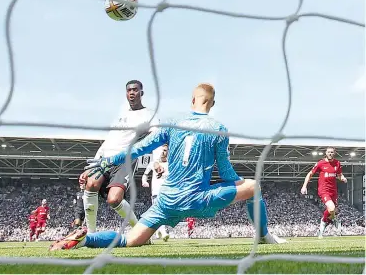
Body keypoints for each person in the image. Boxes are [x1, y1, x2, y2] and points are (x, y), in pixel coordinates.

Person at [50, 83, 286, 250]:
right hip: (199, 198)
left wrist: (107, 161)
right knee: (254, 186)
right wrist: (234, 187)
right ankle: (264, 236)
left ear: (192, 100)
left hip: (167, 202)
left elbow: (139, 148)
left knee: (130, 240)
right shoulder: (218, 129)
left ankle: (87, 240)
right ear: (212, 103)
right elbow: (226, 173)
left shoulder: (171, 124)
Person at [81, 80, 160, 234]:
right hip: (105, 159)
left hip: (125, 159)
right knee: (90, 184)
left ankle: (139, 231)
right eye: (129, 90)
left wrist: (157, 161)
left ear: (141, 93)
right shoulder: (121, 116)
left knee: (114, 199)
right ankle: (90, 234)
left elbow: (156, 138)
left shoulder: (149, 115)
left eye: (135, 90)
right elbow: (108, 141)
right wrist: (91, 166)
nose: (131, 93)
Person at [300, 147, 347, 238]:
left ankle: (323, 224)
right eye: (328, 152)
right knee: (332, 209)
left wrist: (343, 178)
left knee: (332, 211)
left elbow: (339, 175)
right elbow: (310, 174)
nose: (330, 153)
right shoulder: (321, 163)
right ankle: (335, 220)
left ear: (334, 153)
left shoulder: (337, 163)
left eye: (332, 152)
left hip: (333, 191)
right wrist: (304, 186)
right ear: (326, 153)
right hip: (324, 190)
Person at [141, 144, 170, 242]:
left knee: (164, 213)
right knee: (159, 211)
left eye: (165, 150)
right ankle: (164, 232)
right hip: (156, 192)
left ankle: (159, 230)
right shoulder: (154, 163)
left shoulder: (171, 164)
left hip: (167, 192)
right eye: (162, 150)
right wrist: (144, 181)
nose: (163, 152)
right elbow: (145, 175)